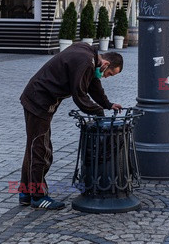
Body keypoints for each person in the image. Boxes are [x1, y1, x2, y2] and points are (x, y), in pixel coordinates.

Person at [19, 42, 123, 210]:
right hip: (38, 102)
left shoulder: (88, 53)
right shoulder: (86, 61)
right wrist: (99, 113)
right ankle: (38, 197)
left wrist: (107, 104)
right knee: (41, 149)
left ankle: (25, 193)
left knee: (33, 146)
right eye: (109, 74)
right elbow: (80, 94)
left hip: (38, 99)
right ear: (106, 64)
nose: (105, 77)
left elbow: (93, 85)